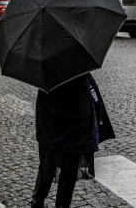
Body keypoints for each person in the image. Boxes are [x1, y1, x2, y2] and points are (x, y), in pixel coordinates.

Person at [32, 73, 114, 208]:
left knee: (46, 168)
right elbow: (90, 103)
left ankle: (37, 202)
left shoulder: (45, 69)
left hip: (51, 128)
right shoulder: (80, 70)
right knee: (68, 173)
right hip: (74, 132)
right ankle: (58, 205)